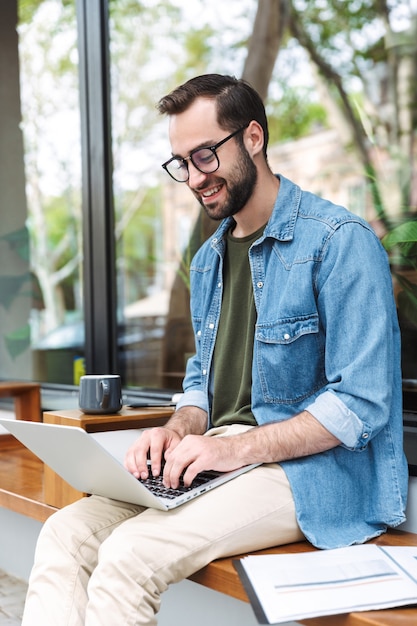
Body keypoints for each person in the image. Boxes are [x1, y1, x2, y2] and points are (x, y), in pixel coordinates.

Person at [22, 74, 408, 626]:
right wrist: (178, 430)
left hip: (311, 474)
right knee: (66, 532)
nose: (195, 177)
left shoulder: (338, 242)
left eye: (205, 155)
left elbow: (362, 403)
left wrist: (230, 450)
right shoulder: (208, 259)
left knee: (129, 556)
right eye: (181, 162)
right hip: (221, 459)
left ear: (253, 137)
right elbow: (204, 382)